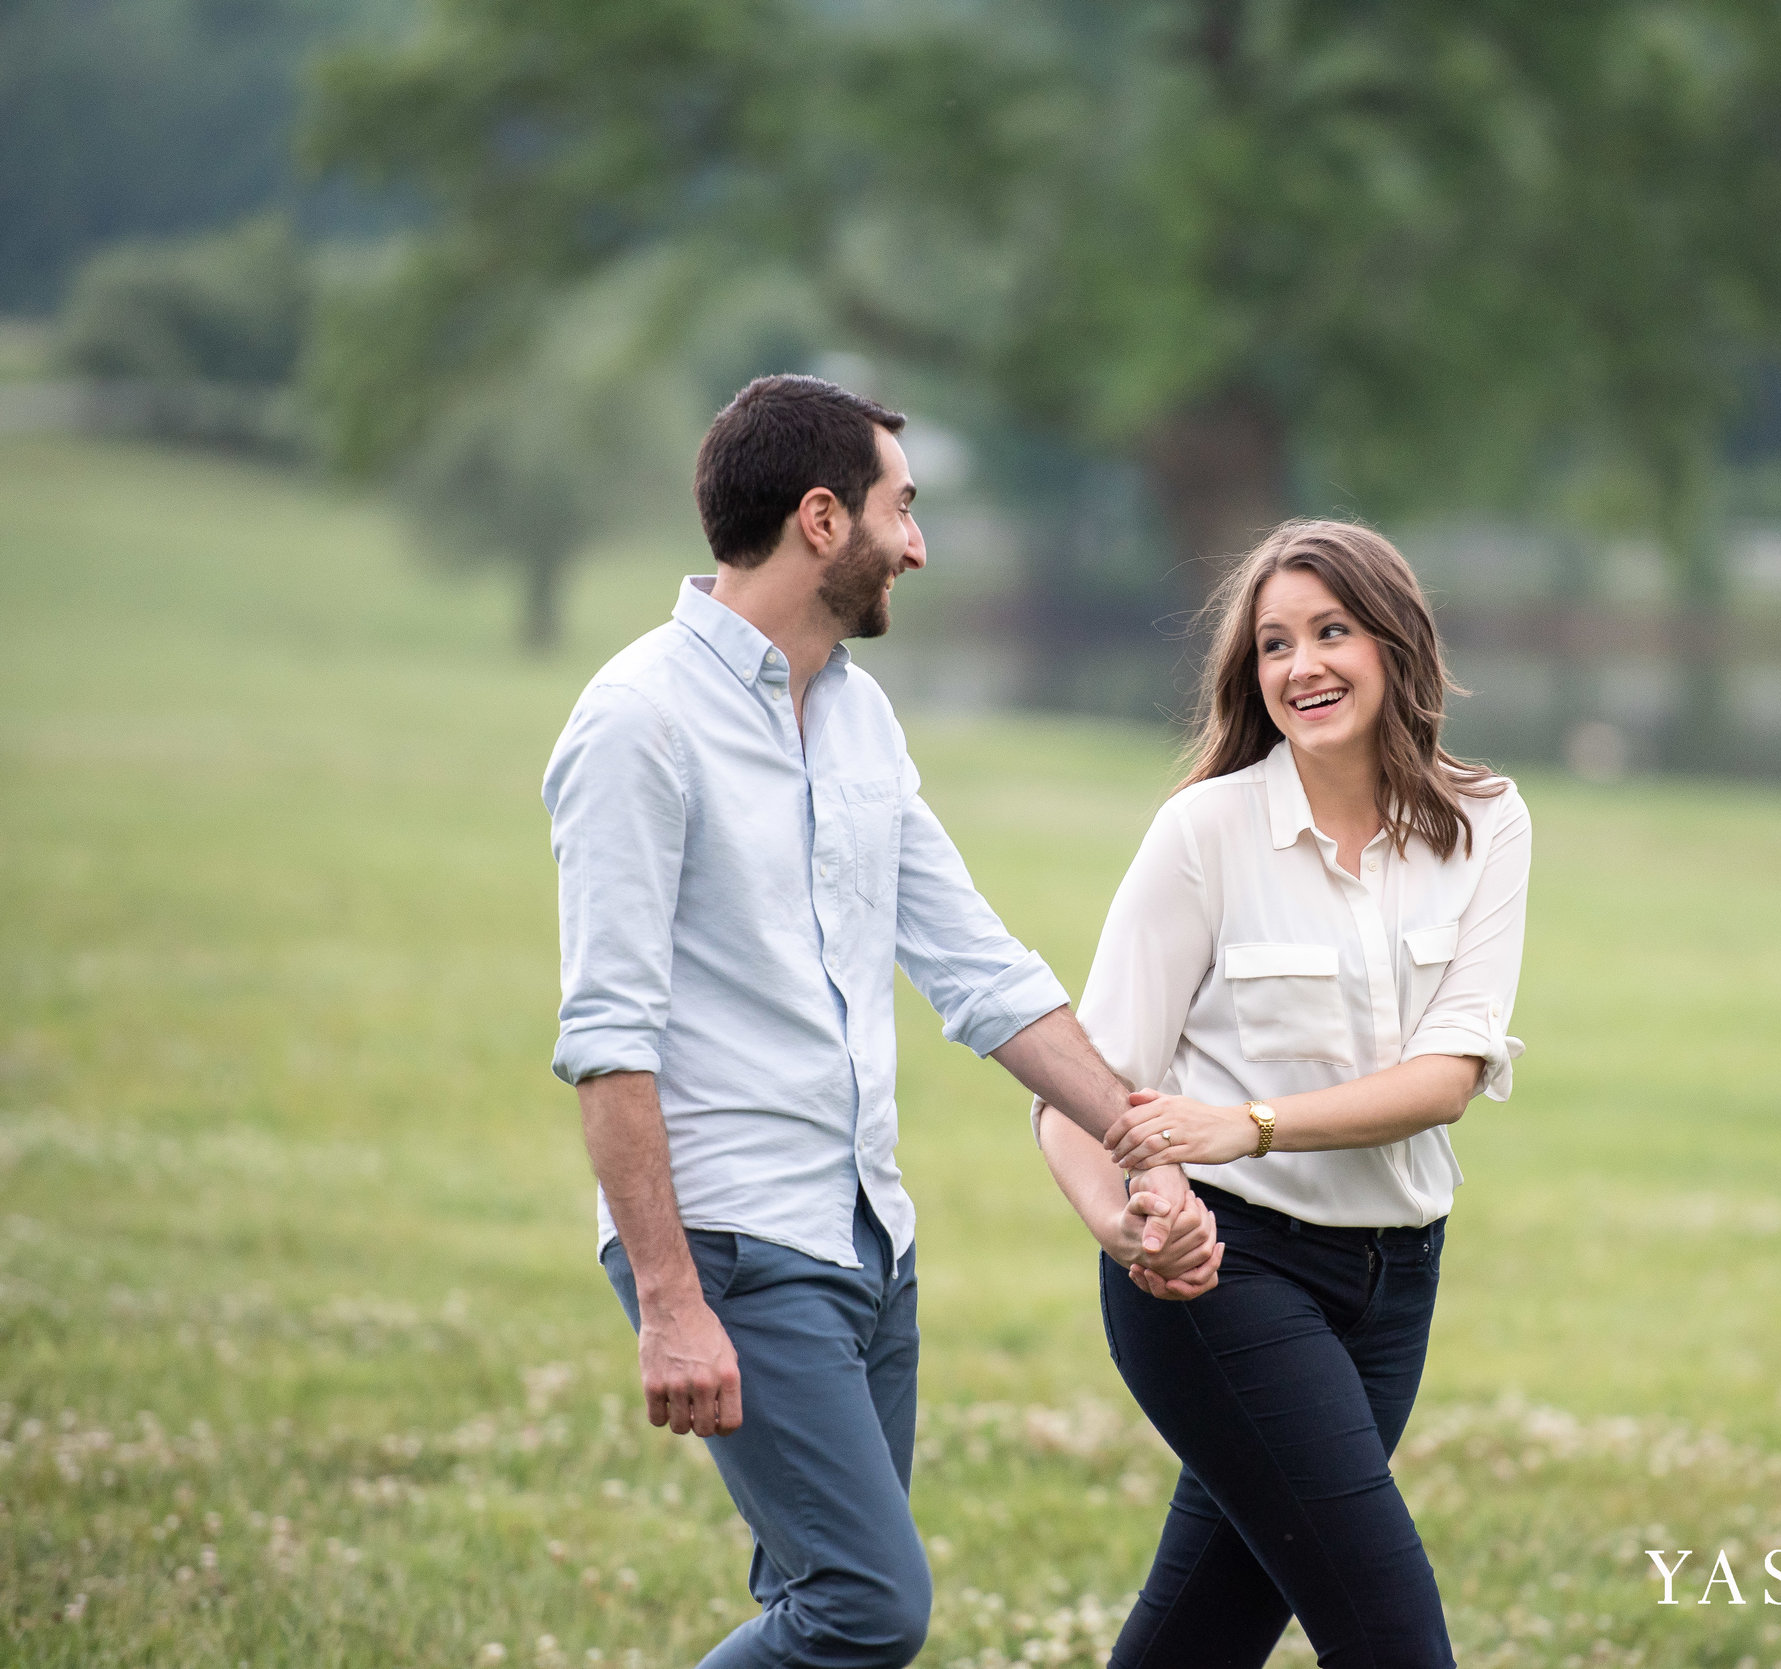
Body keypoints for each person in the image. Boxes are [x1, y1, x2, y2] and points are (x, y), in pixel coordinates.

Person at [542, 374, 1223, 1669]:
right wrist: (673, 1303)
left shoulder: (855, 714)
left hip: (866, 1235)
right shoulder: (639, 724)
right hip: (736, 1237)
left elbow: (979, 969)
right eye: (901, 509)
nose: (917, 543)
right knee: (866, 1606)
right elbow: (608, 1035)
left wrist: (1141, 1140)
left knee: (818, 1599)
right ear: (819, 519)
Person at [1036, 520, 1532, 1668]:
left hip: (1395, 1279)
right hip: (1227, 1273)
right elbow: (1077, 1093)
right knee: (1393, 1637)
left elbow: (1449, 1077)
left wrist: (1242, 1123)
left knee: (1203, 1638)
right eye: (1273, 644)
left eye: (1330, 631)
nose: (1301, 665)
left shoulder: (1485, 821)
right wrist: (1127, 1221)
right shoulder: (1204, 834)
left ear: (1396, 643)